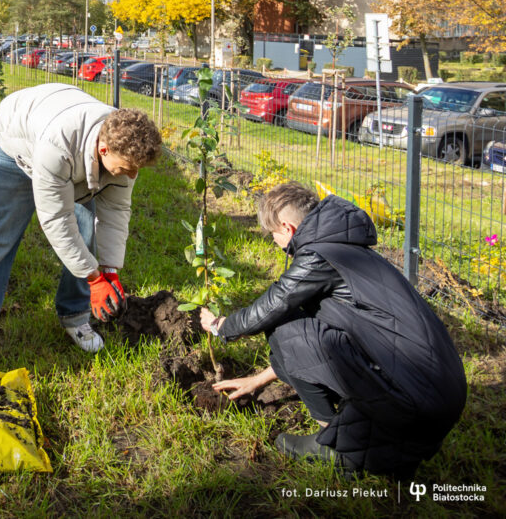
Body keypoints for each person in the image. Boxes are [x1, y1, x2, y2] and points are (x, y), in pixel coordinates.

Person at [199, 183, 467, 478]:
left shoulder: (318, 257)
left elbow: (272, 307)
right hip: (437, 396)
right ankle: (359, 433)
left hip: (415, 402)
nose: (273, 241)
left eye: (271, 234)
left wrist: (220, 326)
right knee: (300, 326)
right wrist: (257, 380)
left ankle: (337, 444)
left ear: (287, 228)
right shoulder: (345, 248)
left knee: (282, 326)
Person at [0, 84, 162, 368]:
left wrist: (109, 270)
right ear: (104, 149)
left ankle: (75, 317)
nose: (133, 175)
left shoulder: (125, 148)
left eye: (137, 168)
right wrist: (93, 279)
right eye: (128, 167)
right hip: (17, 143)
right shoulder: (59, 145)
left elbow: (115, 210)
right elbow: (56, 220)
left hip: (62, 137)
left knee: (86, 231)